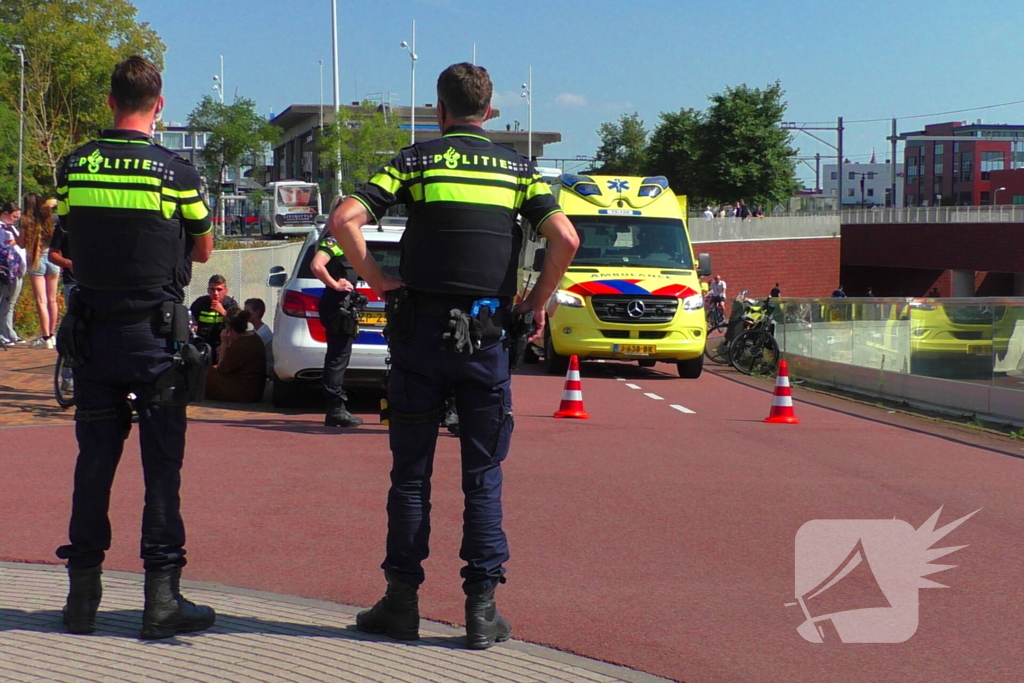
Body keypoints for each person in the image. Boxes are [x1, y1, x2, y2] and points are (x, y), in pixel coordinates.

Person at [328, 62, 579, 650]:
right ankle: (481, 612)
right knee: (483, 476)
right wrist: (534, 303)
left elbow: (344, 219)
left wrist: (378, 279)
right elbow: (564, 238)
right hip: (486, 337)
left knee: (410, 477)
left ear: (438, 112)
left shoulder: (415, 160)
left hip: (418, 338)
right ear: (489, 113)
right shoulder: (520, 170)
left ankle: (401, 606)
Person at [53, 55, 216, 639]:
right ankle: (161, 600)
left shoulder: (75, 167)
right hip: (155, 338)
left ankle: (81, 601)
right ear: (160, 104)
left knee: (93, 464)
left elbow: (67, 237)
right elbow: (202, 250)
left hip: (93, 334)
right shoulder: (176, 173)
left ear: (110, 101)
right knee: (161, 471)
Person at [310, 225, 364, 428]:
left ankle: (336, 408)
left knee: (340, 355)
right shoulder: (334, 241)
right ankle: (335, 409)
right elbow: (317, 265)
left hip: (344, 307)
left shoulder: (347, 243)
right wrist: (336, 284)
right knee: (337, 357)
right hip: (337, 307)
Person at [20, 193, 61, 348]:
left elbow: (22, 243)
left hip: (35, 258)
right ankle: (52, 334)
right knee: (52, 299)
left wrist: (15, 240)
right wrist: (48, 205)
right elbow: (57, 202)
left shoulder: (25, 220)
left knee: (41, 300)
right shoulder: (51, 219)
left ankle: (45, 337)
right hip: (51, 257)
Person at [204, 306, 267, 403]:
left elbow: (222, 369)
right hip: (255, 389)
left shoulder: (240, 345)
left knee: (205, 372)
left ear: (229, 329)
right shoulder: (254, 337)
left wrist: (224, 342)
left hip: (245, 393)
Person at [190, 274, 238, 362]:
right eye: (212, 289)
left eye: (219, 290)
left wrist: (223, 312)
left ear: (226, 291)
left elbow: (237, 324)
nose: (215, 293)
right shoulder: (200, 303)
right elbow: (190, 316)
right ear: (208, 290)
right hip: (202, 344)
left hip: (222, 345)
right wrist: (193, 323)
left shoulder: (231, 304)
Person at [0, 201, 26, 345]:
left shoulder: (13, 229)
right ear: (5, 214)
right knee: (4, 301)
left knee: (11, 303)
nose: (16, 220)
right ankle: (3, 333)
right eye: (14, 217)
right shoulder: (1, 228)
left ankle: (10, 332)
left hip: (17, 271)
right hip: (5, 271)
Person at [244, 297, 274, 379]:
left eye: (247, 312)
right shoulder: (257, 330)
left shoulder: (263, 333)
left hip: (264, 375)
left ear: (257, 312)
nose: (244, 315)